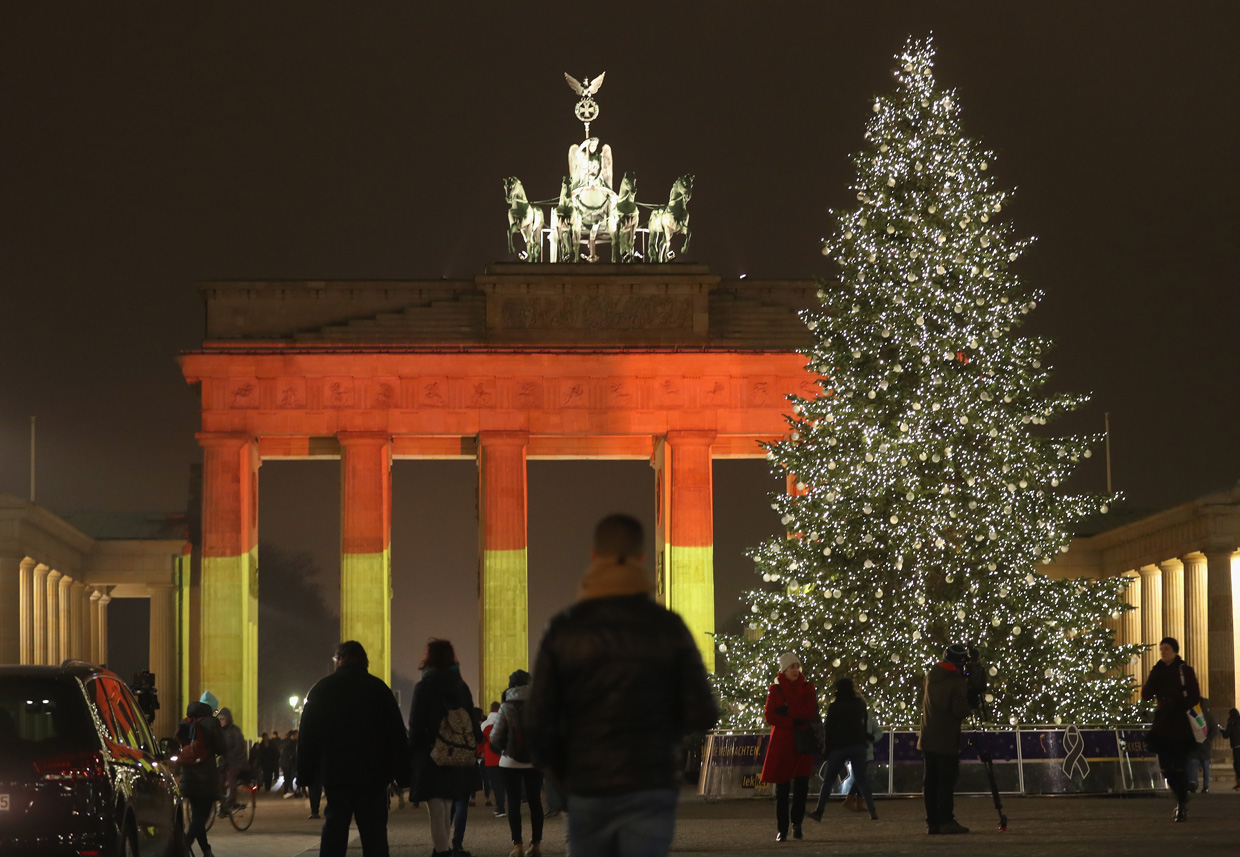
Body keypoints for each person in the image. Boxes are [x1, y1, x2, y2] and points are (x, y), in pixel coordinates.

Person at [527, 513, 719, 857]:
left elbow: (537, 721)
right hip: (650, 781)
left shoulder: (563, 629)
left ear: (593, 557)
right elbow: (702, 712)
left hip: (587, 783)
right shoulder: (668, 626)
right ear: (643, 558)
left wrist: (563, 773)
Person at [298, 640, 411, 857]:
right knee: (375, 832)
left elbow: (307, 736)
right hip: (373, 774)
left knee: (334, 829)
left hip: (336, 773)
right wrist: (403, 775)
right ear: (364, 662)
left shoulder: (321, 689)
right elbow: (396, 735)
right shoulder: (379, 689)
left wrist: (306, 774)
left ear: (339, 660)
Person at [409, 638, 484, 857]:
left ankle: (442, 853)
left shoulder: (423, 687)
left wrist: (411, 754)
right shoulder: (462, 687)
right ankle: (445, 849)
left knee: (436, 812)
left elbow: (415, 726)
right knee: (448, 808)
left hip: (431, 755)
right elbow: (472, 721)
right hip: (456, 755)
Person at [1141, 636, 1201, 821]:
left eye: (1166, 648)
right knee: (1166, 767)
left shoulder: (1185, 670)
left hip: (1180, 724)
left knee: (1179, 766)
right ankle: (1181, 797)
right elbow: (1146, 694)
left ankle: (1181, 803)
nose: (1163, 652)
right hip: (1163, 725)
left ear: (1175, 651)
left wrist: (1178, 706)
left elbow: (1194, 696)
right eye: (1162, 649)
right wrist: (1153, 676)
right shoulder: (1158, 670)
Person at [760, 652, 817, 841]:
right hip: (783, 745)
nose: (795, 670)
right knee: (782, 790)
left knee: (801, 788)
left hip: (802, 745)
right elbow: (770, 716)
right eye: (791, 666)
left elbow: (810, 712)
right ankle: (782, 829)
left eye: (797, 666)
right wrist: (794, 721)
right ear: (783, 670)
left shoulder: (808, 688)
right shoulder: (775, 690)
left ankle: (797, 825)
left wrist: (787, 712)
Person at [918, 644, 973, 835]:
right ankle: (946, 820)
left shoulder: (931, 676)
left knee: (930, 781)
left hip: (928, 736)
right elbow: (959, 710)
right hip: (946, 738)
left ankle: (932, 822)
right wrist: (969, 700)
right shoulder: (955, 682)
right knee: (946, 781)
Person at [807, 677, 878, 822]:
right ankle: (872, 810)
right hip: (857, 745)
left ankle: (819, 811)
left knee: (829, 780)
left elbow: (829, 729)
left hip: (839, 747)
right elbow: (862, 725)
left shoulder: (834, 707)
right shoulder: (858, 705)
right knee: (862, 780)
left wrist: (826, 751)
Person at [491, 670, 543, 857]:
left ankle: (518, 845)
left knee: (513, 803)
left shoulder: (506, 706)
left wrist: (500, 747)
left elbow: (495, 737)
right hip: (535, 762)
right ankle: (536, 844)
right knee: (535, 801)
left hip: (509, 761)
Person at [176, 699, 226, 857]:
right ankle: (183, 846)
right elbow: (221, 748)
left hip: (187, 774)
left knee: (197, 815)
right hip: (205, 777)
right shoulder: (212, 723)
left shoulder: (185, 723)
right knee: (200, 817)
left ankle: (207, 851)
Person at [217, 706, 248, 814]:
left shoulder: (235, 731)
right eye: (219, 719)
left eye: (223, 719)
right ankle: (223, 802)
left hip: (237, 761)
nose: (221, 721)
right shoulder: (219, 732)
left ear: (228, 719)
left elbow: (239, 747)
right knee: (219, 779)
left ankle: (232, 801)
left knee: (231, 776)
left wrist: (228, 756)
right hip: (226, 762)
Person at [1187, 695, 1218, 793]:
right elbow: (1215, 730)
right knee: (1205, 767)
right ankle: (1205, 786)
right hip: (1204, 747)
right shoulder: (1209, 716)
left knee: (1194, 766)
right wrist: (1208, 740)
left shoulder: (1193, 715)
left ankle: (1194, 784)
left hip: (1196, 746)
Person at [481, 702, 507, 817]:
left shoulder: (486, 724)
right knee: (504, 784)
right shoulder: (506, 721)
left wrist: (478, 754)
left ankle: (500, 807)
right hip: (505, 757)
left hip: (491, 758)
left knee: (495, 785)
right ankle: (504, 805)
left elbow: (481, 742)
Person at [1220, 707, 1240, 790]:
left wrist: (1221, 729)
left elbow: (1226, 735)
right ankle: (1238, 783)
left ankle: (1239, 783)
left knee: (1237, 765)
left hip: (1236, 747)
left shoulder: (1231, 724)